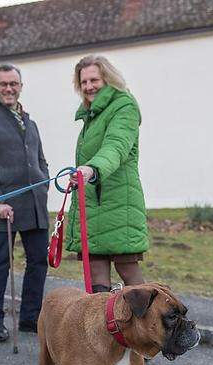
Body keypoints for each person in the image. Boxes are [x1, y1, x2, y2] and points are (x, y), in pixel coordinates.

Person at [0, 63, 50, 342]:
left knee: (39, 260)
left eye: (13, 83)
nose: (8, 88)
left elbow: (40, 158)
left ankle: (30, 317)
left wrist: (45, 181)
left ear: (20, 86)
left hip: (35, 202)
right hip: (4, 205)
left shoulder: (31, 122)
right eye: (3, 84)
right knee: (0, 261)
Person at [66, 55, 149, 293]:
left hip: (118, 203)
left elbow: (116, 146)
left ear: (108, 79)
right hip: (93, 205)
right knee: (97, 285)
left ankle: (166, 329)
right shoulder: (92, 115)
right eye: (83, 82)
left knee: (132, 281)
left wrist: (92, 169)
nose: (89, 86)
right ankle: (104, 330)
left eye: (94, 79)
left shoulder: (124, 106)